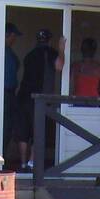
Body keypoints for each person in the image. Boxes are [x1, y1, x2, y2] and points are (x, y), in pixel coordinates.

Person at [16, 29, 66, 172]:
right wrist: (62, 49)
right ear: (49, 40)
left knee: (23, 133)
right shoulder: (49, 52)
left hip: (23, 97)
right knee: (38, 131)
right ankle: (32, 163)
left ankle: (23, 164)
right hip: (39, 99)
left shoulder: (29, 55)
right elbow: (59, 66)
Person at [3, 23, 21, 156]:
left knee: (9, 127)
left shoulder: (10, 52)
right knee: (4, 126)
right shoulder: (0, 51)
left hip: (11, 94)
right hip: (3, 94)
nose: (15, 39)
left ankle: (2, 155)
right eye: (13, 36)